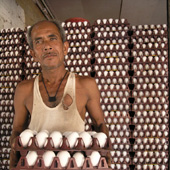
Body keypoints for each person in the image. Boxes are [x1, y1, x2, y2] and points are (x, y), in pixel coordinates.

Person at [10, 20, 110, 169]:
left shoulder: (85, 85)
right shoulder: (24, 89)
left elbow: (100, 124)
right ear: (33, 54)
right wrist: (13, 165)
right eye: (39, 41)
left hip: (75, 164)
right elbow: (17, 131)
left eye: (52, 38)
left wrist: (105, 157)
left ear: (65, 47)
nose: (47, 46)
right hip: (37, 165)